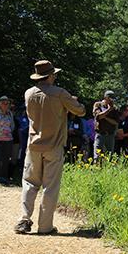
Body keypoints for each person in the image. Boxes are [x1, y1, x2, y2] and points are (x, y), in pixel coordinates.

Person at [14, 60, 85, 234]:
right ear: (51, 75)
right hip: (54, 145)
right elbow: (81, 111)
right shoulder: (60, 93)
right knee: (50, 186)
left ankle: (24, 219)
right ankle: (45, 226)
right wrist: (72, 102)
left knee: (30, 183)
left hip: (33, 145)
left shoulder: (28, 93)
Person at [93, 90, 120, 159]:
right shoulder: (98, 104)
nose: (111, 100)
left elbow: (116, 122)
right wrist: (108, 110)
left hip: (110, 134)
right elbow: (98, 117)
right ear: (105, 97)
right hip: (100, 134)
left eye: (113, 98)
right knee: (97, 155)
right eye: (110, 98)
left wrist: (105, 117)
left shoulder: (115, 108)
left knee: (109, 155)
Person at [0, 96, 15, 184]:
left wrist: (8, 132)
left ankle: (4, 176)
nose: (5, 105)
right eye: (3, 103)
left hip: (8, 139)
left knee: (6, 159)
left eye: (7, 103)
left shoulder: (10, 113)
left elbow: (12, 125)